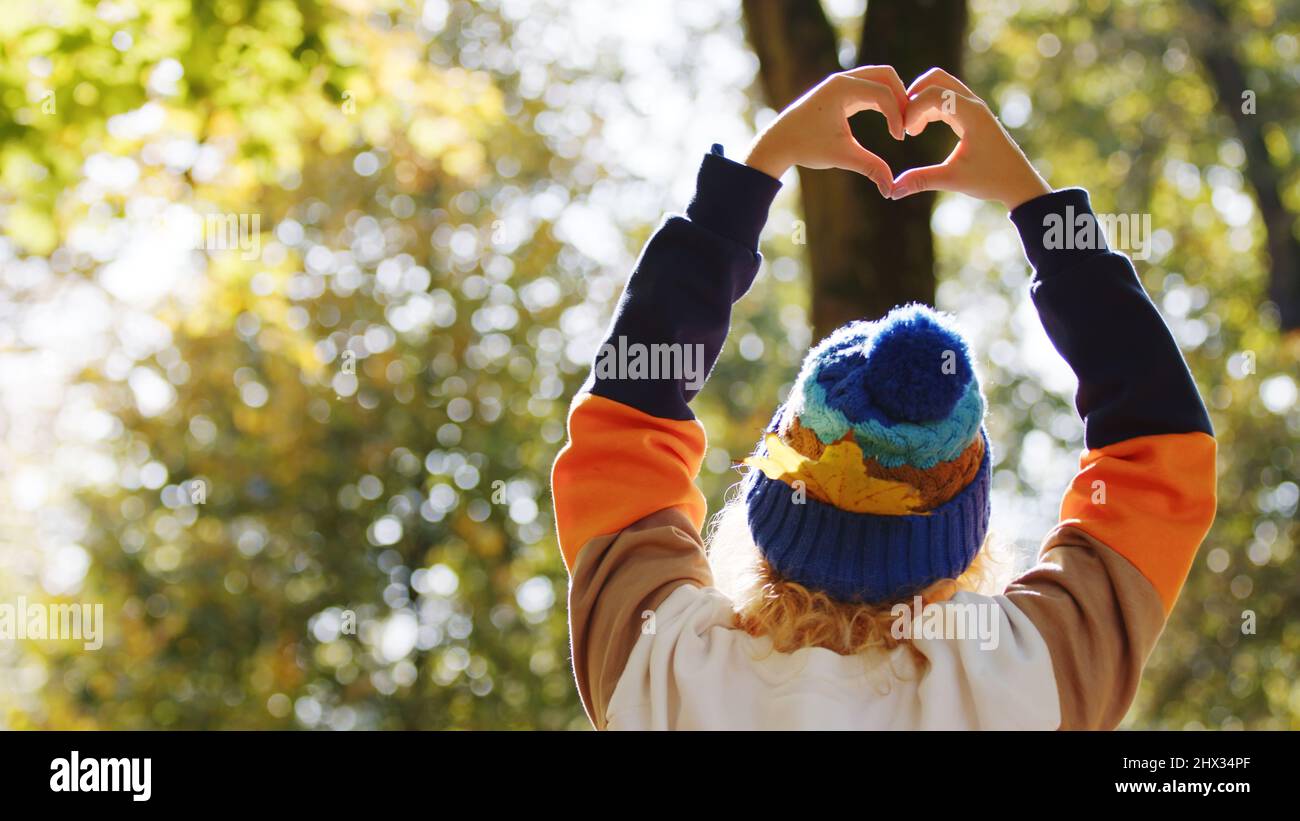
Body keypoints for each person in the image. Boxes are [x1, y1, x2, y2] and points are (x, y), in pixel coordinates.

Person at [550, 66, 1217, 730]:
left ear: (771, 507)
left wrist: (757, 171)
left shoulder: (661, 667)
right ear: (965, 541)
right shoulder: (1026, 681)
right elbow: (1162, 450)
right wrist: (1037, 208)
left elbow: (622, 425)